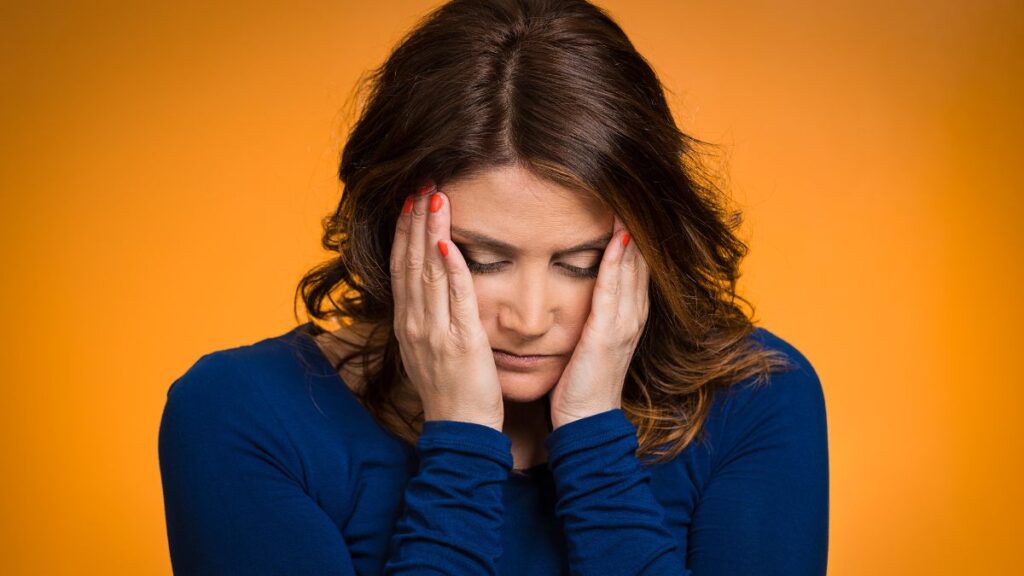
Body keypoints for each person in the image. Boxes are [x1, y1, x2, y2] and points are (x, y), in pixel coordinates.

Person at [157, 0, 829, 574]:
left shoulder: (757, 399)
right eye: (481, 261)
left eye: (581, 262)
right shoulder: (241, 414)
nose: (531, 317)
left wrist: (594, 437)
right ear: (392, 227)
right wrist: (463, 442)